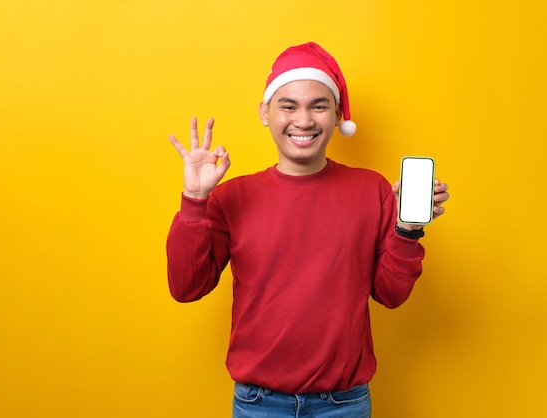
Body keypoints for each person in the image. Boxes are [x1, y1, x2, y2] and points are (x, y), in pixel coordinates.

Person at [166, 42, 449, 418]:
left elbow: (391, 293)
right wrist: (195, 199)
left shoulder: (372, 190)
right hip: (259, 404)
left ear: (336, 115)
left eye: (319, 105)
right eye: (288, 105)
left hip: (344, 404)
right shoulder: (231, 197)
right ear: (265, 113)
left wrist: (407, 230)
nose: (304, 119)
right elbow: (186, 287)